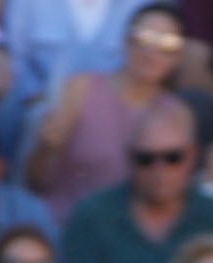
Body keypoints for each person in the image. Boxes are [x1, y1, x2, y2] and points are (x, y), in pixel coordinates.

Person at [57, 91, 213, 263]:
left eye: (173, 157)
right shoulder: (94, 213)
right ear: (129, 158)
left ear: (193, 155)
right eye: (146, 159)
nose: (160, 170)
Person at [28, 0, 191, 212]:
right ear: (125, 41)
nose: (152, 52)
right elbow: (36, 181)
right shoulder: (80, 90)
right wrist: (46, 148)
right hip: (69, 227)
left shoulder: (178, 115)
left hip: (134, 238)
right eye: (143, 38)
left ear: (178, 57)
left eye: (167, 44)